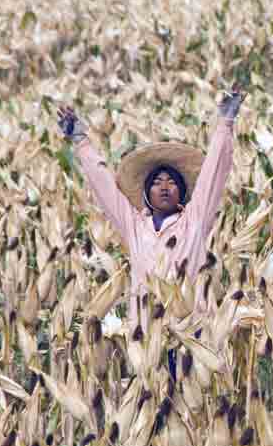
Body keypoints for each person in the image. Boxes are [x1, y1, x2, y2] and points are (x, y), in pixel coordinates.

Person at [56, 88, 245, 380]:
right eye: (157, 182)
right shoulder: (133, 226)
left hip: (192, 337)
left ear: (182, 192)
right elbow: (104, 188)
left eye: (172, 182)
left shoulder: (194, 222)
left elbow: (213, 176)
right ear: (146, 194)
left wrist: (225, 122)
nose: (165, 186)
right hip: (146, 339)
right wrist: (80, 142)